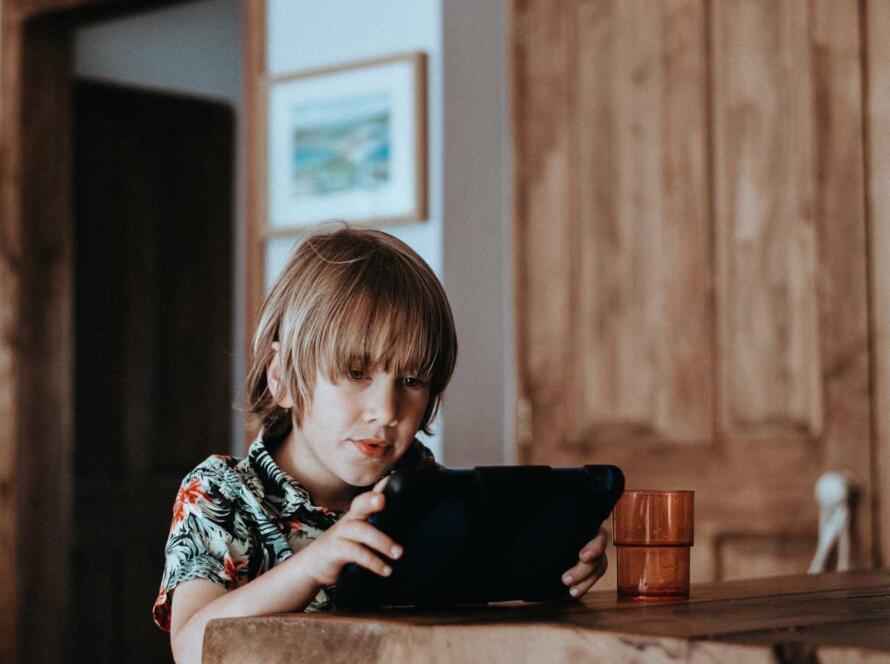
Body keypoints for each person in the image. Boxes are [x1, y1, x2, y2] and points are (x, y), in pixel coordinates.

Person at [152, 225, 609, 664]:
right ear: (282, 378)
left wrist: (553, 567)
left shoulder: (422, 489)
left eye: (412, 380)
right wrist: (315, 564)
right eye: (356, 374)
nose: (387, 410)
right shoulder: (221, 492)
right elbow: (193, 647)